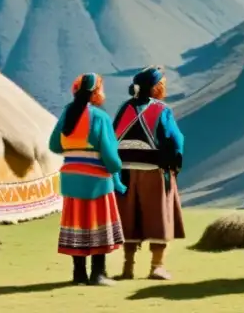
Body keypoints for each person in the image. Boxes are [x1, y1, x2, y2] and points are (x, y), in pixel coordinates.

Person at [49, 73, 126, 286]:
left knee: (78, 226)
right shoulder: (100, 118)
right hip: (96, 181)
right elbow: (111, 159)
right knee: (97, 225)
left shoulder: (66, 114)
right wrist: (117, 168)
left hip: (71, 179)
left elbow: (54, 145)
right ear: (95, 92)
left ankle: (78, 274)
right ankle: (98, 274)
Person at [112, 66, 186, 280]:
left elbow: (113, 136)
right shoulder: (161, 110)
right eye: (162, 83)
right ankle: (157, 266)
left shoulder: (124, 108)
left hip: (124, 172)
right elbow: (175, 140)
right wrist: (174, 165)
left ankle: (128, 267)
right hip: (154, 171)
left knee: (129, 217)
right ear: (156, 87)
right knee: (158, 218)